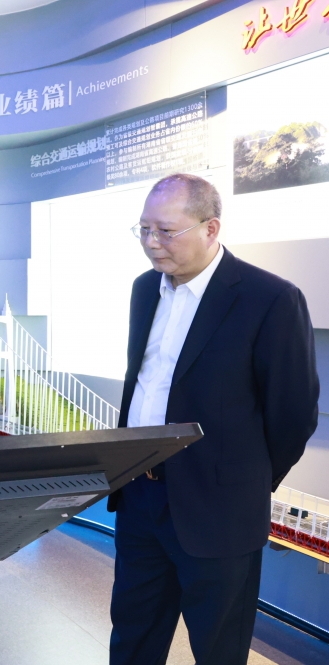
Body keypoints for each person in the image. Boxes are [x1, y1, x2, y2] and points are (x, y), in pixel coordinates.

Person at [109, 174, 319, 665]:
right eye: (144, 229)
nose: (152, 243)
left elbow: (293, 415)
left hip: (219, 511)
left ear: (211, 228)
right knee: (132, 638)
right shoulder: (145, 289)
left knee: (218, 649)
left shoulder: (270, 299)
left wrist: (243, 482)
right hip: (140, 498)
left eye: (166, 231)